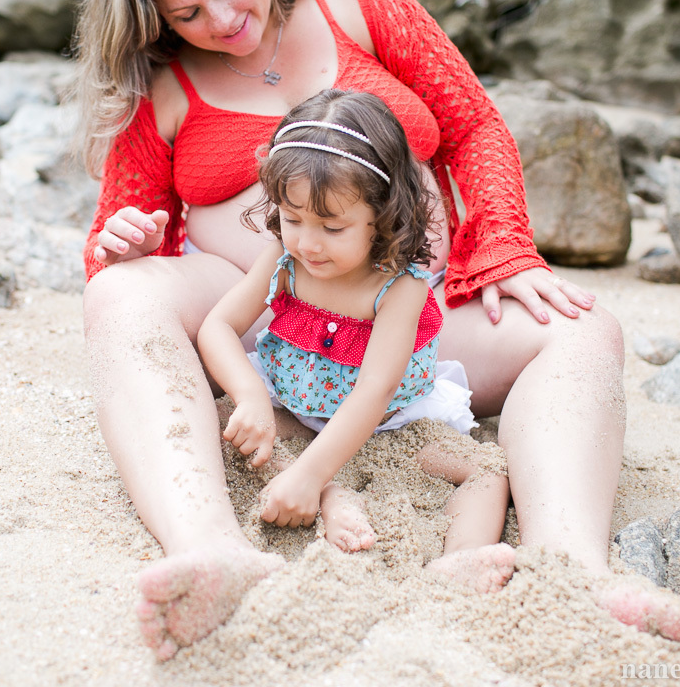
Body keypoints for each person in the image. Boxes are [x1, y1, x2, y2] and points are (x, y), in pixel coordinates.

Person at [72, 0, 680, 662]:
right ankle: (210, 547)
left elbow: (474, 124)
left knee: (582, 329)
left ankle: (572, 568)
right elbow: (114, 230)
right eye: (188, 14)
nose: (223, 22)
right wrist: (123, 241)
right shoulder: (161, 83)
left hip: (412, 315)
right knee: (119, 292)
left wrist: (502, 245)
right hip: (271, 322)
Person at [198, 89, 514, 583]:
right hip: (295, 413)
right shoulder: (285, 256)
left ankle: (461, 556)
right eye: (294, 218)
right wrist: (249, 395)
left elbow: (375, 390)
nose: (307, 241)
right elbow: (217, 326)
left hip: (391, 425)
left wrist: (309, 471)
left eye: (333, 226)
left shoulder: (398, 284)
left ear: (382, 215)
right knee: (219, 424)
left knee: (488, 472)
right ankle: (330, 492)